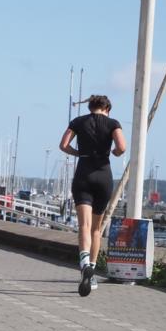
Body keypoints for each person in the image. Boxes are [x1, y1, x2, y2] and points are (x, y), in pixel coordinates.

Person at [59, 94, 127, 297]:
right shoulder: (113, 123)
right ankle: (92, 271)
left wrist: (79, 154)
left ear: (91, 107)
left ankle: (84, 263)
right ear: (107, 109)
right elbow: (122, 147)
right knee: (96, 229)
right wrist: (114, 153)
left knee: (84, 226)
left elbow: (63, 145)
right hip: (103, 175)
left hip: (83, 174)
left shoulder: (78, 121)